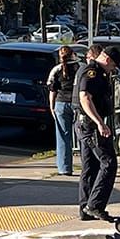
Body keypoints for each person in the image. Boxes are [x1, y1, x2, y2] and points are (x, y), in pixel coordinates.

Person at [74, 46, 119, 221]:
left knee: (90, 167)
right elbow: (85, 98)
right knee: (109, 162)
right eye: (113, 66)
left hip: (85, 125)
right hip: (91, 126)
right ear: (107, 60)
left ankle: (85, 209)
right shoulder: (92, 72)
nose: (113, 69)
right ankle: (95, 205)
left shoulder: (93, 70)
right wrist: (100, 123)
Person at [47, 44, 80, 175]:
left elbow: (52, 89)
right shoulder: (80, 68)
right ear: (72, 54)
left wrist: (52, 106)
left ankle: (64, 168)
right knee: (82, 135)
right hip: (77, 104)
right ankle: (88, 165)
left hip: (60, 103)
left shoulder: (56, 70)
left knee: (63, 137)